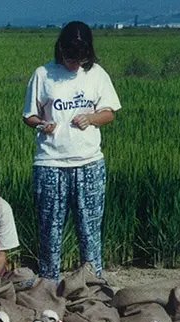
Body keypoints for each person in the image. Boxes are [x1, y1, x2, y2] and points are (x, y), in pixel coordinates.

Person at [22, 21, 121, 280]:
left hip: (89, 163)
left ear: (88, 54)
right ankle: (49, 286)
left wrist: (91, 118)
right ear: (60, 49)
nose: (74, 63)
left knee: (89, 231)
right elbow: (29, 115)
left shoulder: (97, 74)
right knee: (50, 232)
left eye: (80, 58)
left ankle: (94, 285)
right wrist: (42, 124)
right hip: (50, 163)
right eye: (69, 57)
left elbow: (109, 113)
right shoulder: (43, 74)